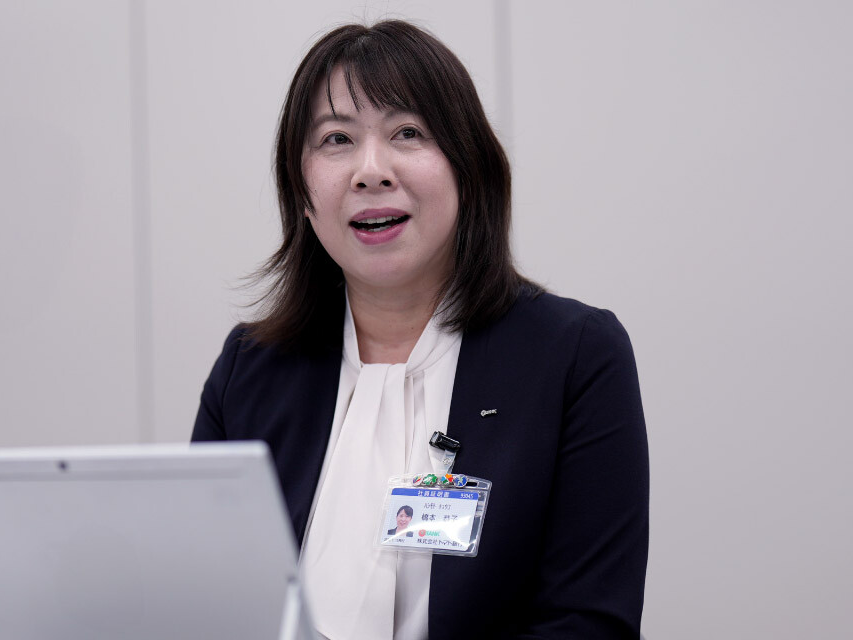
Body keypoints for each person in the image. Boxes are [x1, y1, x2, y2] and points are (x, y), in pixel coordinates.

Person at [193, 20, 648, 640]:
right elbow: (206, 604)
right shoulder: (250, 369)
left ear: (468, 166)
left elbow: (588, 624)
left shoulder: (573, 356)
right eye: (336, 139)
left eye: (407, 132)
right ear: (300, 191)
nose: (370, 171)